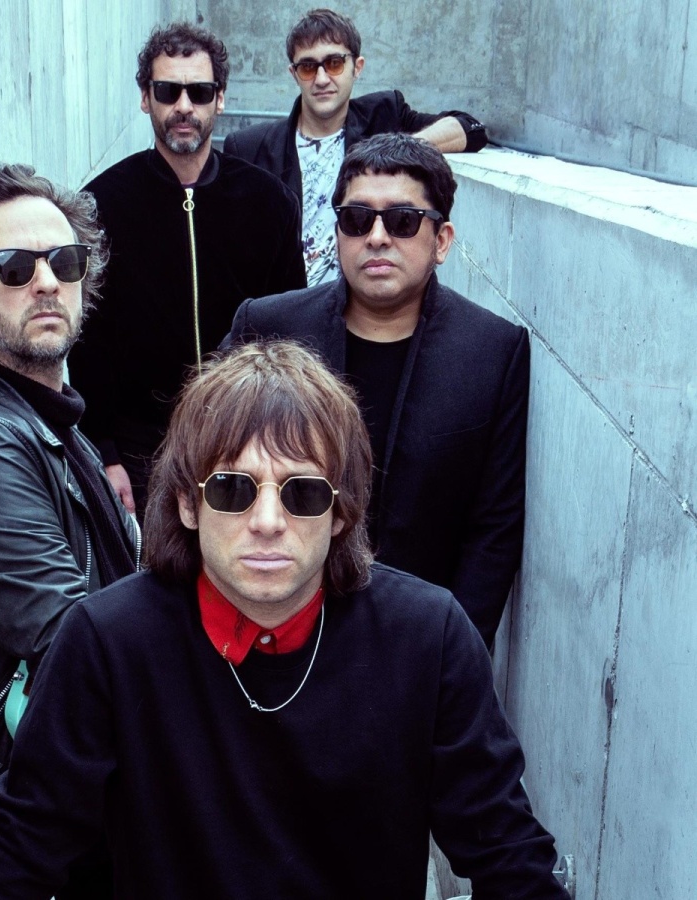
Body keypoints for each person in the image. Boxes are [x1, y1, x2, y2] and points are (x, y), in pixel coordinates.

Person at [0, 341, 568, 899]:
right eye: (233, 489)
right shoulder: (108, 643)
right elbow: (19, 856)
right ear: (187, 503)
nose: (269, 522)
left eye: (303, 492)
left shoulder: (427, 637)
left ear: (341, 511)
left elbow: (508, 853)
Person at [223, 134, 528, 648]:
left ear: (442, 240)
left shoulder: (493, 351)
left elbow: (494, 528)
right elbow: (208, 466)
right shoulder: (268, 326)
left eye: (403, 220)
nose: (378, 237)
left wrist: (457, 651)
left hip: (415, 641)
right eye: (357, 219)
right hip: (272, 629)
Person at [0, 162, 139, 813]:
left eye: (64, 263)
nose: (47, 283)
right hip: (67, 797)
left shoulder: (50, 417)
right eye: (15, 268)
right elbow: (66, 640)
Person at [68, 22, 306, 518]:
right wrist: (105, 453)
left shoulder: (269, 202)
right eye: (167, 91)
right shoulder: (100, 205)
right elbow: (88, 339)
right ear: (145, 98)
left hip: (244, 439)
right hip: (139, 448)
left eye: (198, 92)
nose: (183, 106)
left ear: (219, 99)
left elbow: (291, 330)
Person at [223, 8, 487, 285]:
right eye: (308, 67)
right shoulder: (249, 147)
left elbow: (470, 128)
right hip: (284, 300)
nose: (321, 79)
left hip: (365, 298)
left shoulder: (384, 114)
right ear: (294, 73)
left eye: (334, 63)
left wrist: (398, 149)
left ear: (357, 67)